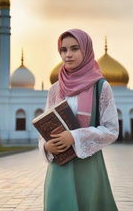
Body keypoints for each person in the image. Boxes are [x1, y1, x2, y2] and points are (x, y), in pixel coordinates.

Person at [39, 29, 119, 211]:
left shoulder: (100, 86)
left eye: (74, 48)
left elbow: (111, 129)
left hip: (88, 164)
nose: (68, 55)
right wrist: (46, 146)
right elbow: (45, 126)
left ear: (86, 50)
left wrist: (74, 137)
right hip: (59, 165)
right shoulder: (55, 89)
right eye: (63, 50)